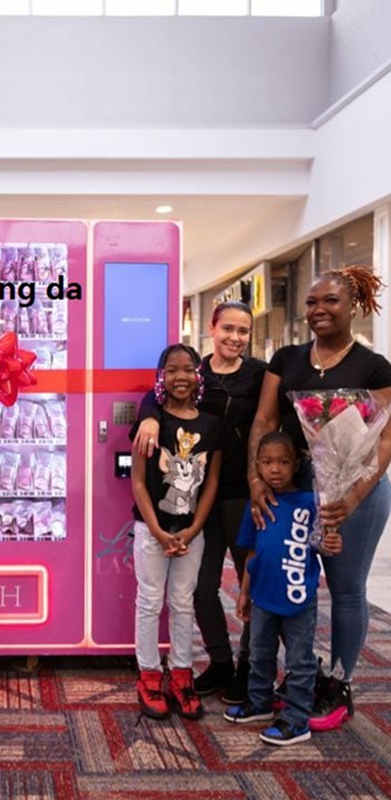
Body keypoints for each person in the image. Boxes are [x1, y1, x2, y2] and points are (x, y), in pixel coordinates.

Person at [249, 265, 391, 732]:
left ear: (353, 305)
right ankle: (296, 673)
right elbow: (265, 420)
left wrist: (351, 499)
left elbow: (384, 441)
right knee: (293, 579)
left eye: (330, 301)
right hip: (294, 490)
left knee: (345, 589)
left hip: (357, 489)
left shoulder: (374, 366)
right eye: (311, 302)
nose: (319, 310)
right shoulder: (287, 359)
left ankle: (339, 681)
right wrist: (258, 481)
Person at [133, 301, 266, 702]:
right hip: (192, 503)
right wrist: (149, 416)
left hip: (241, 492)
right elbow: (159, 394)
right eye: (228, 328)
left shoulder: (259, 374)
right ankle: (219, 662)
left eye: (243, 330)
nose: (235, 337)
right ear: (212, 327)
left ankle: (250, 668)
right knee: (200, 589)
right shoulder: (196, 371)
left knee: (250, 584)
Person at [224, 432, 342, 746]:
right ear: (258, 467)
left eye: (283, 462)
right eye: (267, 463)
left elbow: (324, 545)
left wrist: (332, 541)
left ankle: (296, 720)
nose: (275, 469)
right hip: (263, 594)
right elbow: (251, 552)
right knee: (260, 653)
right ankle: (259, 703)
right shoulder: (258, 502)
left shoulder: (311, 502)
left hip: (298, 596)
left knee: (299, 662)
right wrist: (244, 592)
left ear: (295, 464)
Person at [130, 344, 222, 721]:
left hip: (191, 532)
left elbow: (211, 483)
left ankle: (182, 673)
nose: (180, 377)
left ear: (198, 375)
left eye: (188, 369)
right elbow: (138, 483)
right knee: (150, 601)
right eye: (172, 370)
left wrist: (194, 528)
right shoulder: (150, 422)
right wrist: (156, 530)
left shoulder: (211, 425)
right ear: (161, 376)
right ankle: (149, 674)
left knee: (183, 602)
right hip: (151, 529)